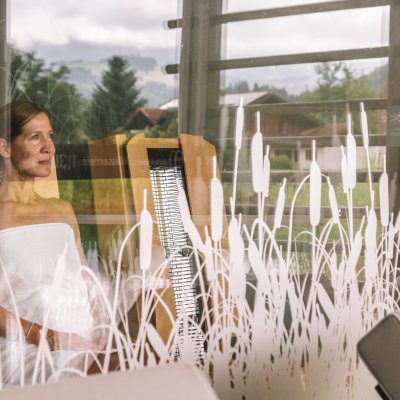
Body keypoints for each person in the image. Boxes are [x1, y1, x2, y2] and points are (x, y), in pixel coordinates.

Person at [0, 101, 108, 385]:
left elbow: (85, 277)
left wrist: (107, 327)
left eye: (50, 136)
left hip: (84, 340)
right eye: (35, 137)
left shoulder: (62, 210)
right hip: (28, 349)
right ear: (5, 148)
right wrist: (51, 338)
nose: (49, 147)